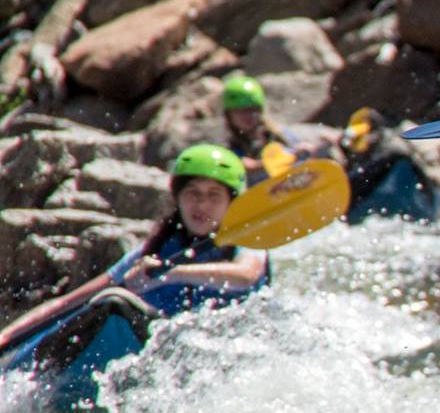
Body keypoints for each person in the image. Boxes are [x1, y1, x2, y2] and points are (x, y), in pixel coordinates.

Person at [0, 144, 271, 365]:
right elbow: (69, 303)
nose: (202, 204)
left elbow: (247, 275)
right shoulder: (154, 248)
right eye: (193, 193)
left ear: (231, 202)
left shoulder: (249, 239)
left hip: (212, 351)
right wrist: (8, 335)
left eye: (214, 195)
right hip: (155, 340)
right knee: (110, 302)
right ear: (178, 198)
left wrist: (169, 274)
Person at [220, 74, 337, 184]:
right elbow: (245, 167)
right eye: (241, 111)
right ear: (229, 115)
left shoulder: (279, 134)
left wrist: (318, 147)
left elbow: (327, 137)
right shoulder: (230, 152)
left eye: (252, 109)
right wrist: (293, 156)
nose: (248, 116)